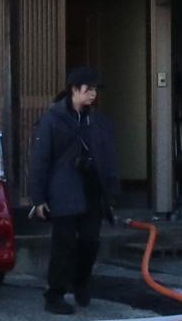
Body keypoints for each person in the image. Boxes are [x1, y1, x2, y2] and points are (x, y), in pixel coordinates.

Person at [28, 67, 119, 316]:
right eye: (88, 89)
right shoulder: (53, 119)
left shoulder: (98, 121)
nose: (92, 95)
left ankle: (81, 282)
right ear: (74, 90)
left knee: (90, 242)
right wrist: (38, 198)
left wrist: (111, 192)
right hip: (63, 191)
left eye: (95, 90)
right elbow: (40, 159)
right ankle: (55, 292)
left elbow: (109, 158)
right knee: (63, 244)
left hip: (92, 190)